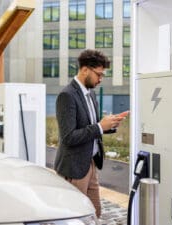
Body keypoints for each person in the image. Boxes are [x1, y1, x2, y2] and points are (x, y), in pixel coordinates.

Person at [54, 49, 126, 218]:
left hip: (90, 163)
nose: (100, 79)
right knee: (76, 216)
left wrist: (110, 124)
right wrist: (100, 127)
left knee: (95, 213)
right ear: (85, 69)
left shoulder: (91, 93)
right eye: (98, 75)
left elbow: (91, 126)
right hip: (74, 168)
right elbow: (69, 137)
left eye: (102, 75)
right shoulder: (67, 95)